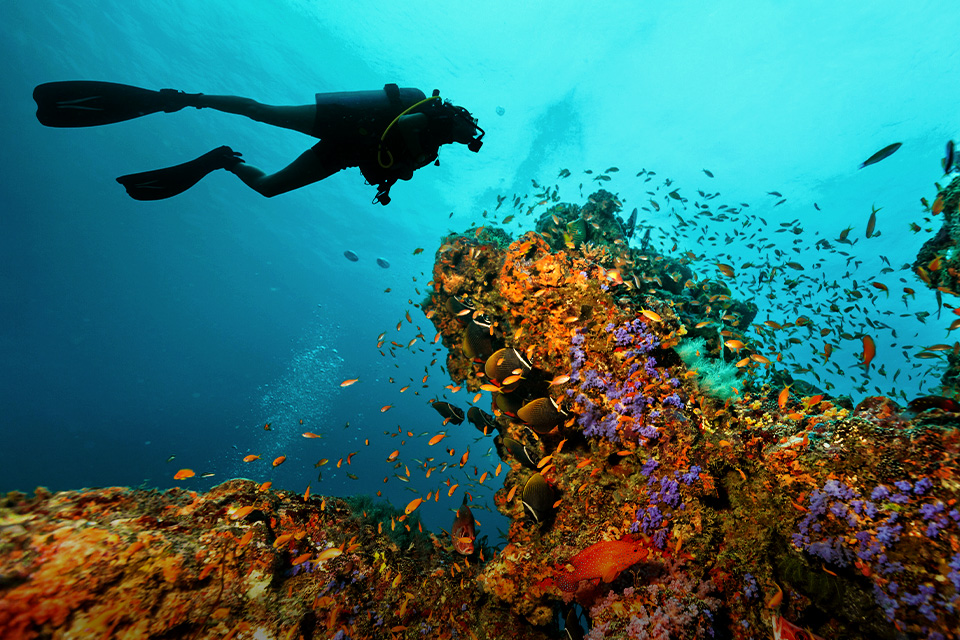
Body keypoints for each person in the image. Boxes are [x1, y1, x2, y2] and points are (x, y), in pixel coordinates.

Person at [33, 82, 484, 204]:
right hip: (346, 121)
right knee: (261, 111)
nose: (470, 139)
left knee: (269, 188)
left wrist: (405, 167)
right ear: (464, 120)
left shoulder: (436, 147)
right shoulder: (438, 118)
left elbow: (394, 166)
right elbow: (404, 129)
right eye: (471, 131)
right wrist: (415, 156)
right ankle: (187, 99)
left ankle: (224, 161)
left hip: (346, 152)